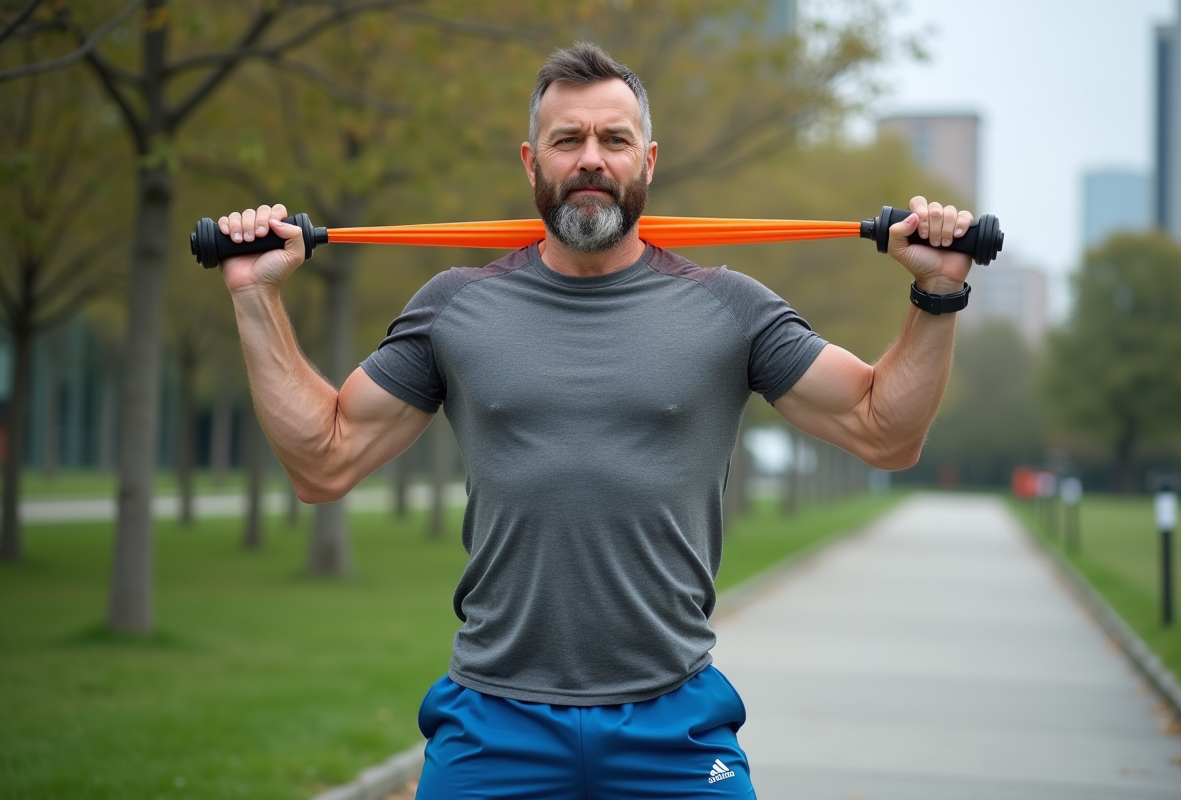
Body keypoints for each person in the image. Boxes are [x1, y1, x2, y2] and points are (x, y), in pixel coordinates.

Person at [217, 42, 974, 800]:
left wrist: (937, 294)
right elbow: (323, 461)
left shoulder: (730, 309)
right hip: (494, 724)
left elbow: (884, 431)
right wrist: (256, 297)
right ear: (530, 161)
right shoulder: (455, 306)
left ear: (647, 160)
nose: (590, 159)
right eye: (567, 139)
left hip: (674, 728)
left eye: (612, 140)